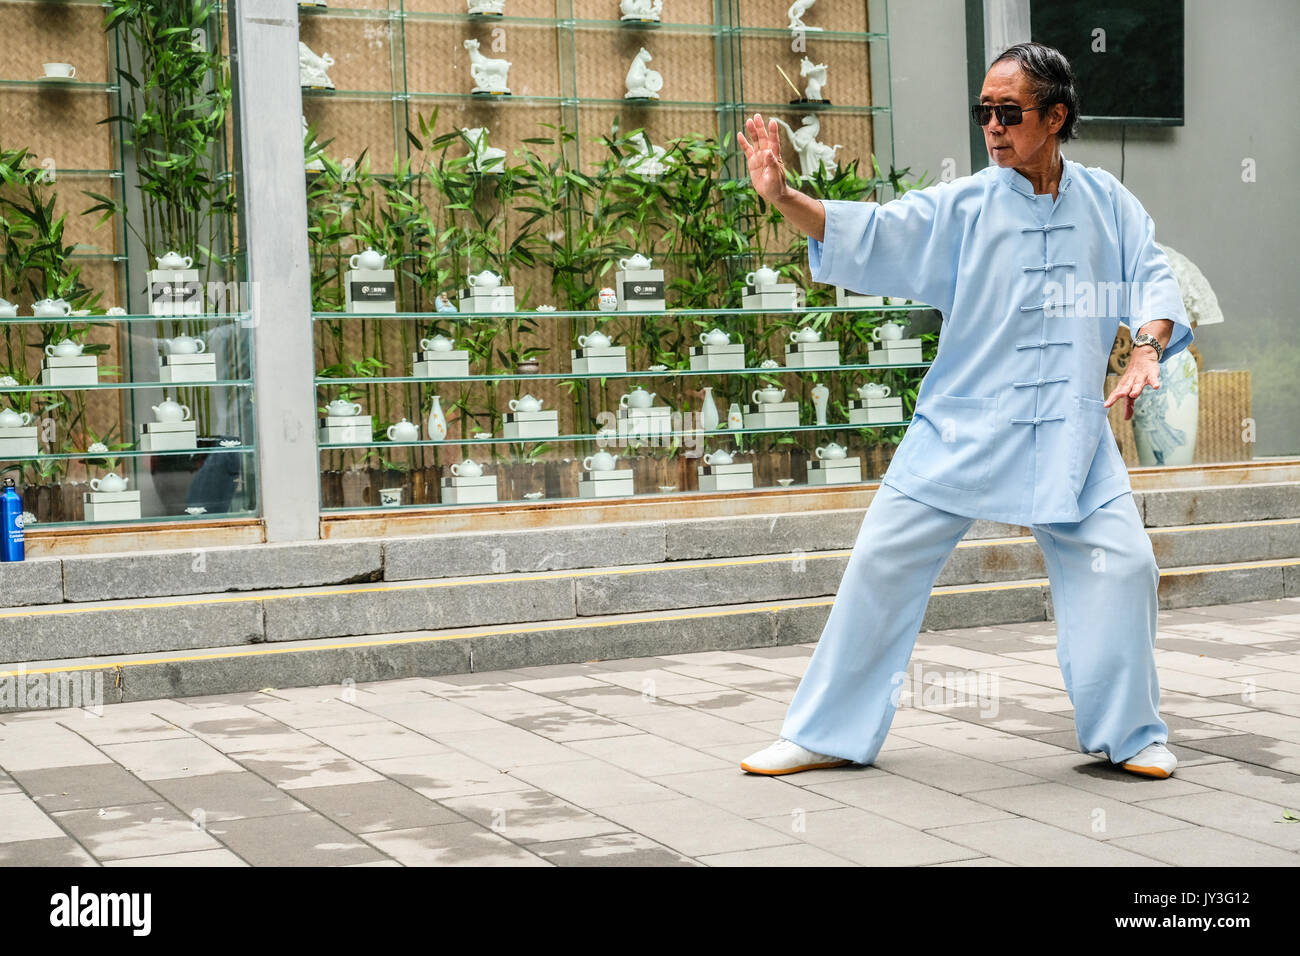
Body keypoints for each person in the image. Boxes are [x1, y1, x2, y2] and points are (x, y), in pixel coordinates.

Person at [735, 42, 1192, 780]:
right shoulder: (965, 205)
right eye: (984, 111)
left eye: (1008, 112)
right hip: (961, 427)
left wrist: (1146, 350)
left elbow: (1153, 280)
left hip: (1074, 435)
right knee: (881, 563)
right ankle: (826, 732)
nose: (992, 126)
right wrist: (785, 197)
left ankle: (1129, 735)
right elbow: (878, 233)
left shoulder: (1109, 203)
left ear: (1055, 117)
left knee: (1124, 565)